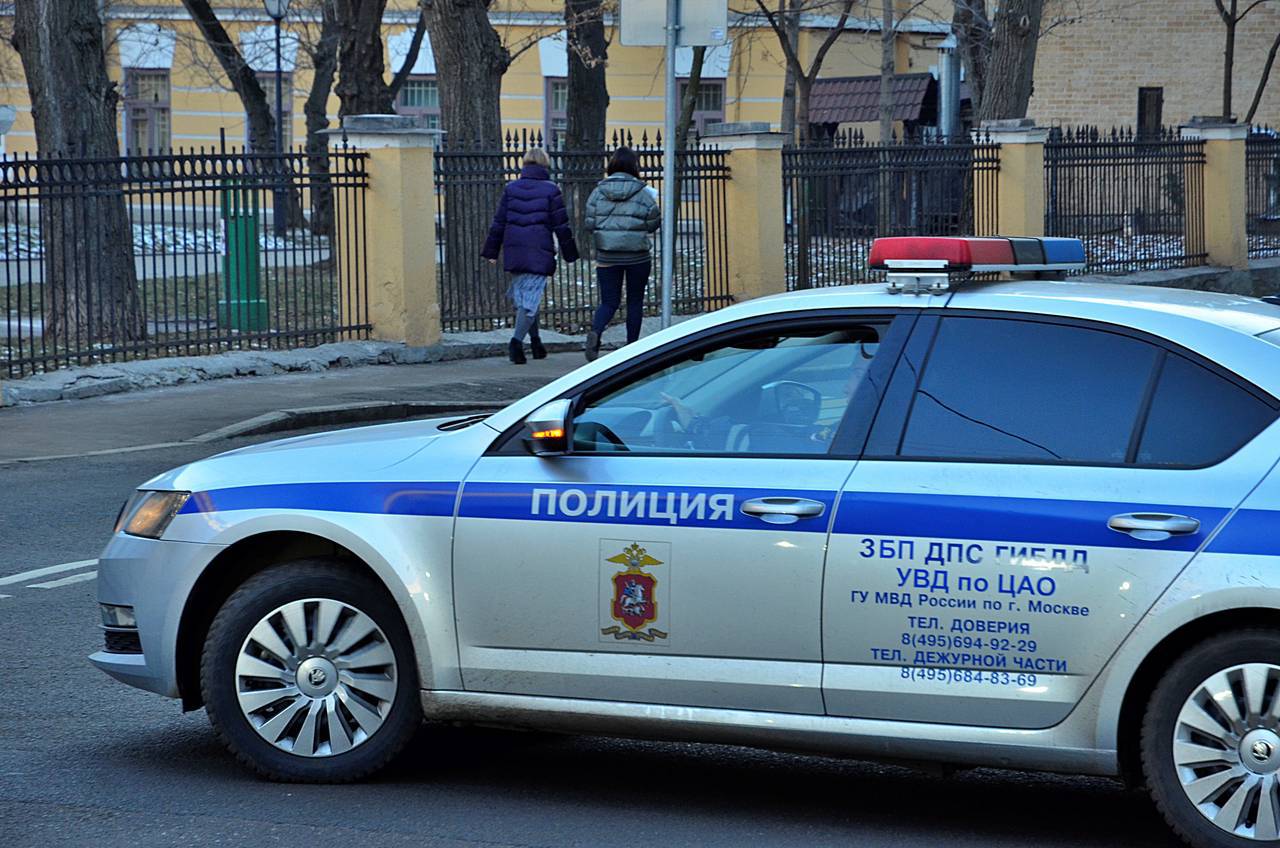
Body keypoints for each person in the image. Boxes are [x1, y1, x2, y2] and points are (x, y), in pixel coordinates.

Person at [481, 147, 578, 365]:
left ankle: (536, 342)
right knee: (529, 302)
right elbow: (561, 225)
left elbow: (499, 222)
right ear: (545, 165)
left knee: (527, 299)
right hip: (539, 251)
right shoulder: (551, 190)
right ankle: (516, 344)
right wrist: (570, 253)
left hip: (515, 250)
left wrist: (491, 251)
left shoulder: (511, 188)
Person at [583, 147, 660, 361]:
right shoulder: (643, 193)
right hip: (638, 257)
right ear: (634, 166)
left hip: (607, 256)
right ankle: (631, 348)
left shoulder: (598, 192)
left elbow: (589, 222)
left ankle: (596, 332)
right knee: (635, 302)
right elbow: (653, 222)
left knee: (609, 302)